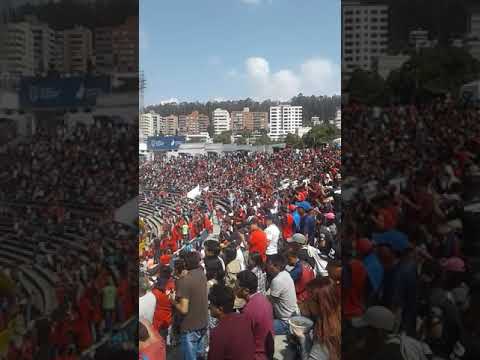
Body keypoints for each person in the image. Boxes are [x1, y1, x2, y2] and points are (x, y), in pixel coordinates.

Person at [170, 251, 209, 360]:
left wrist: (173, 301)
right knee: (200, 356)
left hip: (190, 327)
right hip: (203, 322)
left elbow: (183, 309)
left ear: (185, 264)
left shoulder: (184, 281)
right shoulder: (202, 273)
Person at [290, 277, 341, 360]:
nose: (306, 300)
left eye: (309, 298)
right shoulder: (335, 314)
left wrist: (302, 338)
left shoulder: (326, 335)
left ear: (320, 304)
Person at [207, 284, 255, 360]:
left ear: (220, 309)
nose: (209, 307)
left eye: (211, 304)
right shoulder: (245, 319)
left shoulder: (218, 333)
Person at [236, 270, 274, 360]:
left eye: (237, 286)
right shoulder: (263, 299)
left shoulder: (248, 311)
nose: (234, 288)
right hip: (267, 350)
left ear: (246, 291)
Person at [266, 254, 298, 335]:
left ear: (276, 266)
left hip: (285, 322)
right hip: (292, 315)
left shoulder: (277, 280)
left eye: (269, 264)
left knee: (262, 327)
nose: (267, 266)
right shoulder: (285, 273)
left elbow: (269, 302)